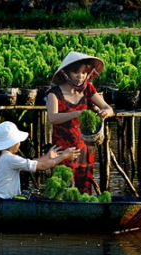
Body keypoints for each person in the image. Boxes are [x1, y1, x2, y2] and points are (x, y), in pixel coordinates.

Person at [46, 51, 114, 195]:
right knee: (61, 190)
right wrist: (75, 114)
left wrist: (105, 113)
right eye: (76, 72)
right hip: (62, 151)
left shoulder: (88, 89)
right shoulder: (54, 93)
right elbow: (52, 118)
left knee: (84, 191)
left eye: (84, 73)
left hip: (84, 149)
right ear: (66, 73)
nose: (80, 76)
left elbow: (108, 108)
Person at [0, 121, 80, 199]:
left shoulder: (0, 157)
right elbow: (42, 166)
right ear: (11, 143)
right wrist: (63, 156)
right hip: (0, 200)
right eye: (18, 141)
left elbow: (32, 163)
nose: (19, 144)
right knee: (33, 194)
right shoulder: (10, 159)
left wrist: (48, 156)